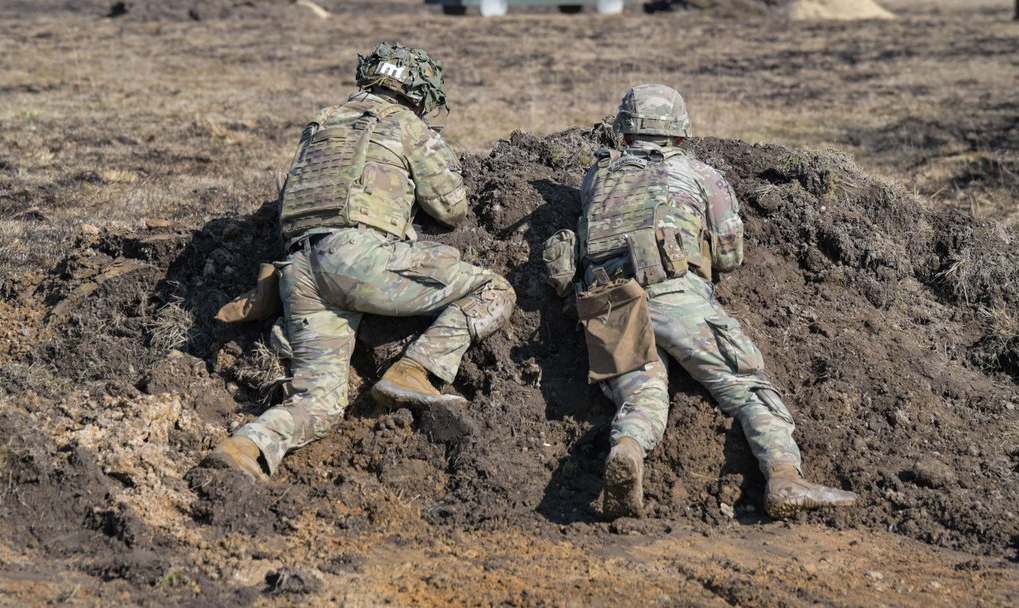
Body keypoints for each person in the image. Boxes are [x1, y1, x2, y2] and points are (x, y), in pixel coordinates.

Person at [204, 43, 515, 481]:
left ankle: (248, 446)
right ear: (421, 93)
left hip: (298, 269)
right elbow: (451, 208)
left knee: (320, 404)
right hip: (358, 259)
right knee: (493, 289)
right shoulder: (405, 124)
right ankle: (415, 370)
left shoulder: (321, 122)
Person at [543, 84, 856, 519]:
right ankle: (785, 476)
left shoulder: (598, 175)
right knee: (748, 387)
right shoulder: (699, 173)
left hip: (607, 301)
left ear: (626, 132)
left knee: (643, 394)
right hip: (674, 294)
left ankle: (629, 448)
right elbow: (730, 254)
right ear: (678, 133)